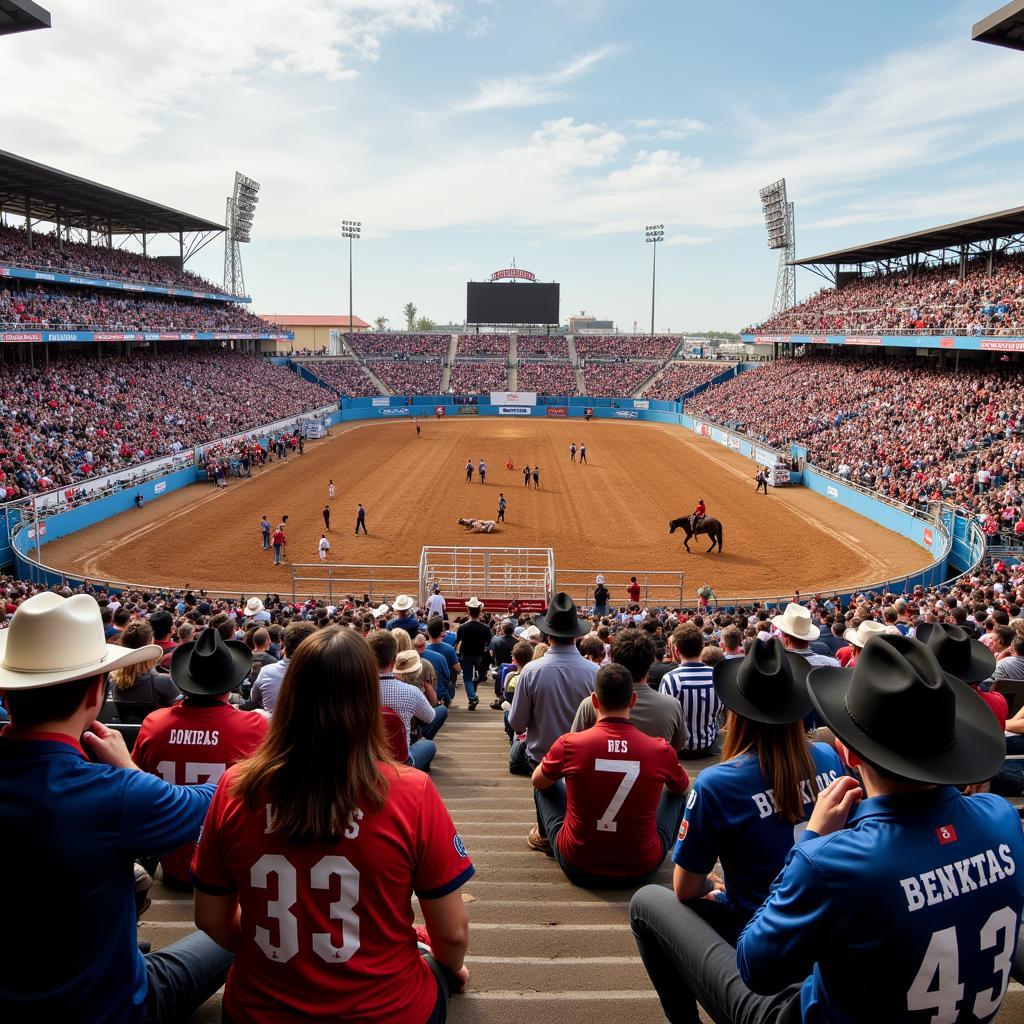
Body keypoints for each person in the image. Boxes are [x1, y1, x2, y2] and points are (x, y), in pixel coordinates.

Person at [632, 633, 1023, 1024]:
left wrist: (812, 844)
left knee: (647, 902)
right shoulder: (1002, 819)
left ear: (850, 751)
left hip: (800, 999)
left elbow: (754, 967)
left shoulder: (828, 859)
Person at [192, 627, 474, 1024]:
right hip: (389, 1009)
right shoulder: (412, 791)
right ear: (366, 698)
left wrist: (282, 956)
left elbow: (210, 918)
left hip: (259, 1009)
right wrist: (445, 965)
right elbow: (454, 934)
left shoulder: (234, 786)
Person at [0, 592, 232, 1021]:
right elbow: (218, 796)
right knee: (235, 922)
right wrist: (130, 770)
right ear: (95, 693)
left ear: (8, 696)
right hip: (109, 1007)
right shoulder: (117, 792)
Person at [133, 627, 268, 889]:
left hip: (173, 864)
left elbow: (135, 779)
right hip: (230, 869)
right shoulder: (255, 727)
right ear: (231, 682)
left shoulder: (154, 724)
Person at [532, 663, 689, 885]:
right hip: (642, 867)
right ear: (632, 700)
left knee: (545, 783)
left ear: (594, 701)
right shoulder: (659, 749)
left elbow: (537, 780)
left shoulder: (570, 744)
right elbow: (682, 788)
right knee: (677, 792)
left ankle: (544, 838)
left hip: (578, 864)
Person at [508, 593, 599, 787]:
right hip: (582, 762)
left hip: (541, 762)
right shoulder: (595, 672)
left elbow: (517, 723)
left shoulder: (530, 671)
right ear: (576, 634)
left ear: (547, 635)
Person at [572, 629, 687, 750]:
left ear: (613, 659)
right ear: (651, 662)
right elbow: (678, 746)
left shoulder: (591, 704)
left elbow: (575, 743)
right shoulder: (672, 706)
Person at [369, 629, 446, 771]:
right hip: (401, 763)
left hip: (366, 763)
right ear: (394, 661)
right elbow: (430, 717)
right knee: (429, 745)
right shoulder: (410, 692)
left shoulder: (353, 691)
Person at [659, 623, 723, 756]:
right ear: (702, 648)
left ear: (676, 650)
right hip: (709, 746)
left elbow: (664, 718)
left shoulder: (670, 679)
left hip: (679, 750)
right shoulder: (716, 676)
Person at [109, 618, 180, 723]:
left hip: (125, 737)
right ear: (149, 645)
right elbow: (179, 714)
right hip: (155, 736)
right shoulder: (164, 682)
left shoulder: (113, 682)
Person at [251, 620, 317, 713]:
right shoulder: (326, 675)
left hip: (272, 725)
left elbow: (254, 698)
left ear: (284, 646)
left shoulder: (266, 672)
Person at [456, 598, 491, 711]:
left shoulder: (462, 627)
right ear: (480, 611)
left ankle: (472, 697)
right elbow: (488, 642)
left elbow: (458, 641)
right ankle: (474, 687)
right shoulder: (485, 628)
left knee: (467, 678)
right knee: (478, 676)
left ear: (468, 611)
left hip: (466, 655)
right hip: (480, 655)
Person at [425, 616, 460, 707]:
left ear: (428, 632)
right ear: (442, 632)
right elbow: (458, 669)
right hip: (444, 690)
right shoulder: (449, 649)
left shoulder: (424, 649)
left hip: (426, 691)